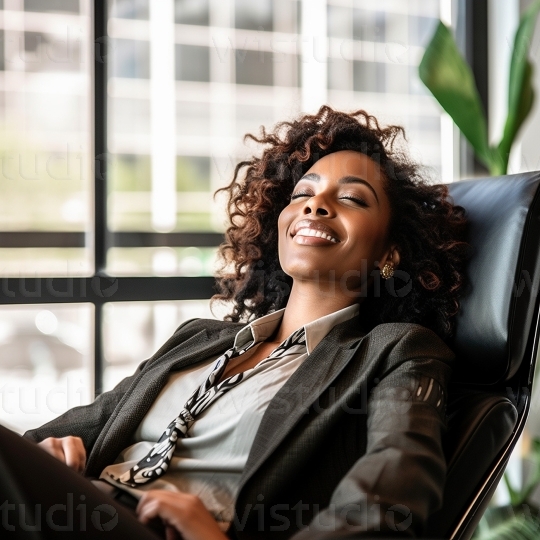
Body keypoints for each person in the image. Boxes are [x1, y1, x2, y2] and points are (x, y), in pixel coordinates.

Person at [3, 106, 467, 539]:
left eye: (350, 198)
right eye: (302, 192)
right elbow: (60, 432)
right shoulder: (198, 339)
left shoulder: (395, 352)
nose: (315, 204)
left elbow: (389, 501)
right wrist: (53, 451)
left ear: (390, 253)